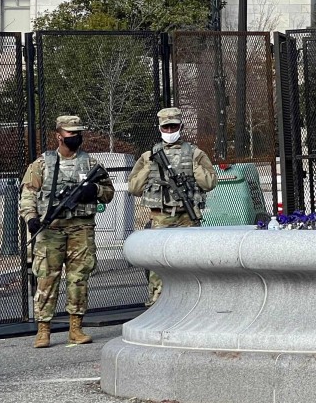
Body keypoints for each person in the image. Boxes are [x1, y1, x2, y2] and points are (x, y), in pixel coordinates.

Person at [19, 115, 115, 348]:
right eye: (71, 133)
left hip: (80, 228)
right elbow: (28, 195)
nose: (76, 137)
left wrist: (93, 190)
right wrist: (31, 219)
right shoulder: (42, 164)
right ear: (59, 135)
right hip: (50, 229)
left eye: (78, 133)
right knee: (46, 279)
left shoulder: (90, 164)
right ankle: (43, 330)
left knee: (78, 278)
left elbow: (108, 192)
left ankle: (76, 328)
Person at [129, 107, 216, 306]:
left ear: (180, 127)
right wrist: (149, 167)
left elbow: (209, 183)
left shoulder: (195, 153)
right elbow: (134, 187)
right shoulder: (148, 156)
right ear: (160, 129)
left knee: (192, 261)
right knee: (158, 264)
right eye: (166, 127)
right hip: (160, 216)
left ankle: (194, 301)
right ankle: (157, 302)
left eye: (173, 126)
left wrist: (194, 167)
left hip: (188, 215)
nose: (170, 131)